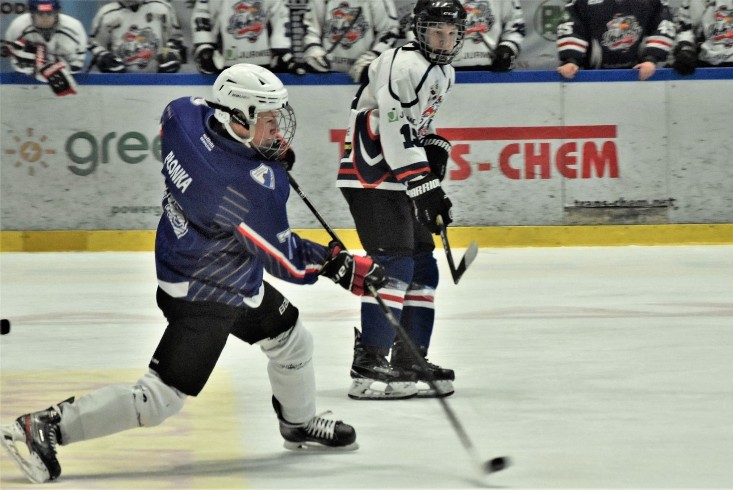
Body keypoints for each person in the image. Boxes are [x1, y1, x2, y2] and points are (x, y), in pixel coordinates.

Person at [0, 63, 387, 484]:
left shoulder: (187, 116)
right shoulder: (243, 186)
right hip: (208, 292)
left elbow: (179, 112)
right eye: (268, 120)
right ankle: (44, 426)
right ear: (237, 119)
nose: (277, 130)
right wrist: (340, 265)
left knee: (291, 338)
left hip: (195, 261)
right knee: (158, 398)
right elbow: (287, 260)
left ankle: (298, 423)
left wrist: (258, 151)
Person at [335, 0, 465, 400]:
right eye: (435, 32)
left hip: (400, 176)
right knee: (394, 262)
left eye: (451, 34)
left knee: (424, 269)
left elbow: (416, 125)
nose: (443, 42)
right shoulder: (398, 63)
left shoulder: (445, 73)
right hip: (371, 172)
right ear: (419, 30)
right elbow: (392, 130)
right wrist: (425, 185)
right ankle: (369, 363)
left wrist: (433, 145)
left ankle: (410, 360)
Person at [556, 0, 675, 81]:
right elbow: (571, 26)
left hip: (639, 75)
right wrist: (571, 60)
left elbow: (663, 25)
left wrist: (651, 59)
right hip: (593, 76)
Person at [299, 0, 401, 83]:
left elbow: (389, 30)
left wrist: (372, 59)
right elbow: (310, 27)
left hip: (364, 79)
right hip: (324, 77)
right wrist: (314, 51)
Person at [1, 0, 86, 96]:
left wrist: (47, 65)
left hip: (64, 87)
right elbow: (14, 59)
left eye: (49, 13)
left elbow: (77, 65)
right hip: (28, 90)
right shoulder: (17, 27)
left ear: (57, 13)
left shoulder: (74, 28)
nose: (45, 18)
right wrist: (33, 66)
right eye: (40, 13)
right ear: (32, 14)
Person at [191, 0, 294, 75]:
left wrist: (281, 51)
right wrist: (204, 47)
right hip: (225, 64)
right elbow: (202, 15)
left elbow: (281, 18)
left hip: (265, 65)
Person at [88, 0, 186, 73]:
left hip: (158, 80)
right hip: (119, 82)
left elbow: (172, 39)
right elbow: (96, 44)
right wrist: (104, 57)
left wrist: (168, 54)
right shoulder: (107, 14)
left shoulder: (161, 8)